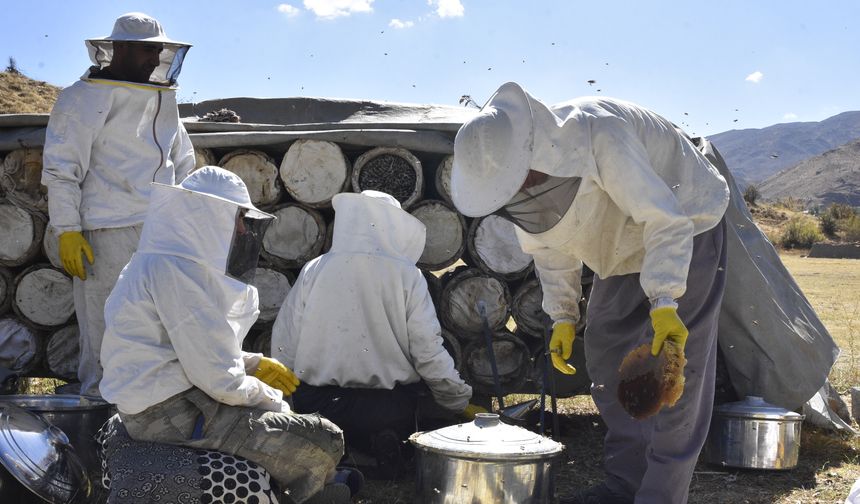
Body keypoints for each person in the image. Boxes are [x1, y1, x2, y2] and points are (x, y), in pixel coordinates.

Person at [450, 82, 730, 504]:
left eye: (520, 176)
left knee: (676, 372)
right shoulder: (523, 179)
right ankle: (625, 482)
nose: (522, 185)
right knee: (604, 351)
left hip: (687, 223)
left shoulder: (598, 133)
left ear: (527, 149)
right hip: (618, 248)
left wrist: (665, 300)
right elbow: (547, 244)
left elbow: (664, 219)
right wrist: (563, 314)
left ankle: (660, 494)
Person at [99, 166, 352, 504]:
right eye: (238, 218)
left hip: (164, 405)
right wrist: (270, 399)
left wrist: (252, 363)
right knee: (325, 439)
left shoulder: (159, 262)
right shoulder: (177, 272)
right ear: (211, 216)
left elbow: (188, 349)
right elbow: (219, 381)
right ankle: (313, 493)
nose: (242, 229)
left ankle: (319, 484)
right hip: (172, 415)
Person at [271, 190, 484, 478]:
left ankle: (338, 452)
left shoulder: (314, 270)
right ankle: (380, 445)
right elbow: (427, 351)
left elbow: (284, 345)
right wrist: (456, 400)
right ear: (391, 225)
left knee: (328, 428)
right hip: (387, 406)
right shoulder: (407, 275)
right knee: (403, 411)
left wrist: (288, 404)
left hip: (319, 405)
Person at [41, 12, 196, 397]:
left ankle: (152, 416)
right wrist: (68, 231)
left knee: (159, 327)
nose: (156, 58)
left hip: (159, 232)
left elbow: (184, 162)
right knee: (105, 331)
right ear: (121, 48)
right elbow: (62, 170)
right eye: (149, 50)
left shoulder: (163, 98)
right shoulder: (82, 98)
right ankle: (99, 417)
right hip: (105, 234)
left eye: (160, 50)